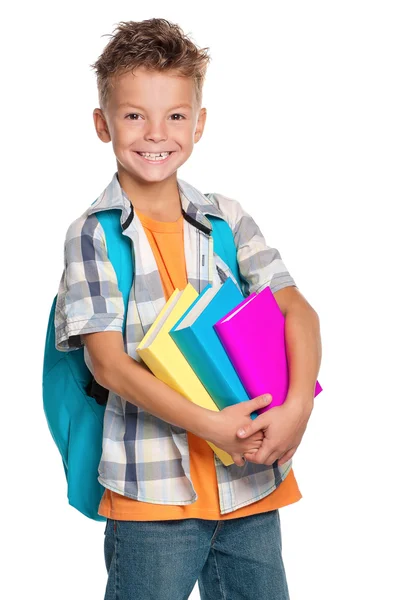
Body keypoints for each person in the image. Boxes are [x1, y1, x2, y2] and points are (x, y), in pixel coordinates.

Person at [54, 17, 322, 600]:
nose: (156, 133)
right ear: (103, 124)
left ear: (198, 124)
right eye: (134, 115)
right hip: (151, 497)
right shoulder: (93, 236)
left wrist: (298, 404)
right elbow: (109, 366)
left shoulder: (227, 219)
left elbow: (297, 309)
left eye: (175, 115)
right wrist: (211, 425)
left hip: (250, 485)